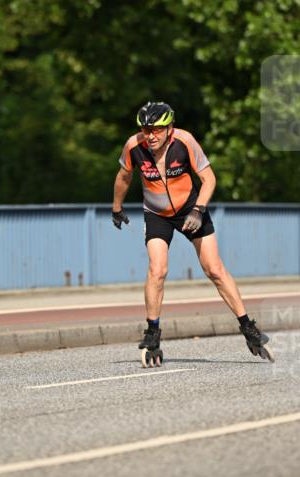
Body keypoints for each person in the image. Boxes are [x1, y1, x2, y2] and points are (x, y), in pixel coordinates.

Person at [112, 101, 273, 366]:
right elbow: (123, 177)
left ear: (170, 127)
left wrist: (198, 210)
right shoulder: (133, 146)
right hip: (156, 213)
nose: (150, 135)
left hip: (190, 208)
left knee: (214, 269)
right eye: (146, 129)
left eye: (156, 129)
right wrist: (116, 208)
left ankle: (248, 327)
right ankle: (152, 332)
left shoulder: (185, 141)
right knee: (157, 270)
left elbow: (209, 178)